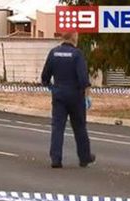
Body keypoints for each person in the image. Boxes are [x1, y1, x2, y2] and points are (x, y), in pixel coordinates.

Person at [41, 31, 96, 168]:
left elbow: (44, 77)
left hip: (59, 94)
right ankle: (84, 157)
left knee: (58, 127)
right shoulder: (77, 54)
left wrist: (52, 88)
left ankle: (56, 159)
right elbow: (83, 79)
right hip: (75, 96)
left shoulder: (53, 53)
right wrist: (87, 96)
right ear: (73, 38)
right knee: (79, 127)